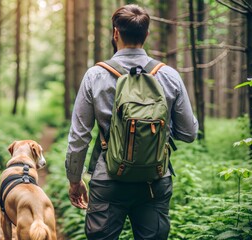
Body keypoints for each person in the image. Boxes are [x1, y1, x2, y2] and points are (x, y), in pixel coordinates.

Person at [65, 4, 198, 240]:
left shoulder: (95, 76)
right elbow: (189, 133)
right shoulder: (168, 75)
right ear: (146, 35)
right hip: (155, 179)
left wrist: (75, 180)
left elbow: (79, 137)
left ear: (115, 33)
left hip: (108, 179)